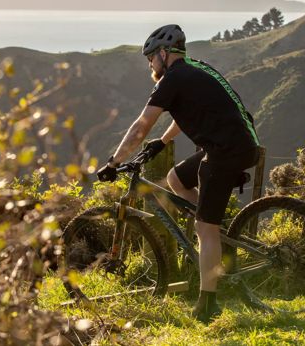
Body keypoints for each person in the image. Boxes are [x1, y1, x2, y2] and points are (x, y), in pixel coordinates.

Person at [97, 24, 259, 323]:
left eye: (150, 59)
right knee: (176, 179)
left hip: (225, 151)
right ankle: (214, 236)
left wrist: (113, 161)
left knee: (204, 228)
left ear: (163, 53)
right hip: (236, 144)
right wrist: (162, 141)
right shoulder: (195, 70)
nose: (149, 65)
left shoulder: (171, 80)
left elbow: (140, 127)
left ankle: (208, 304)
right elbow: (187, 114)